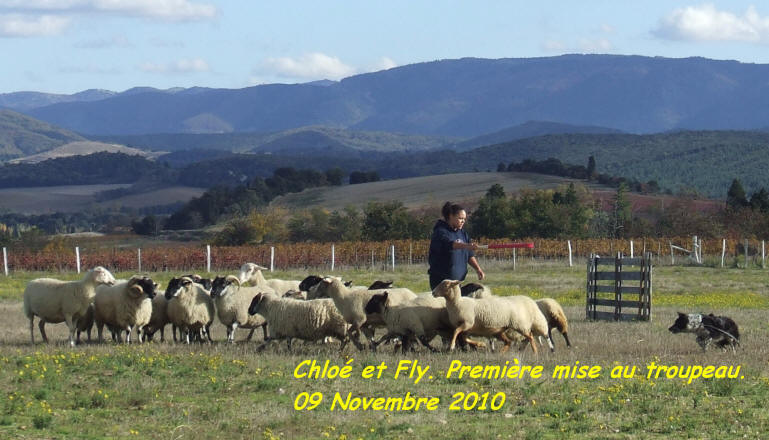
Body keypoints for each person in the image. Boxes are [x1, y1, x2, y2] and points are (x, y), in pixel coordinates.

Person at [428, 201, 485, 290]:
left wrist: (478, 269)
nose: (463, 221)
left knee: (477, 290)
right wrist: (467, 245)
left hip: (456, 283)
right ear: (451, 216)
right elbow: (451, 244)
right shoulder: (440, 232)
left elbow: (469, 255)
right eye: (460, 218)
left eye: (464, 219)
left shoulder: (462, 233)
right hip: (441, 282)